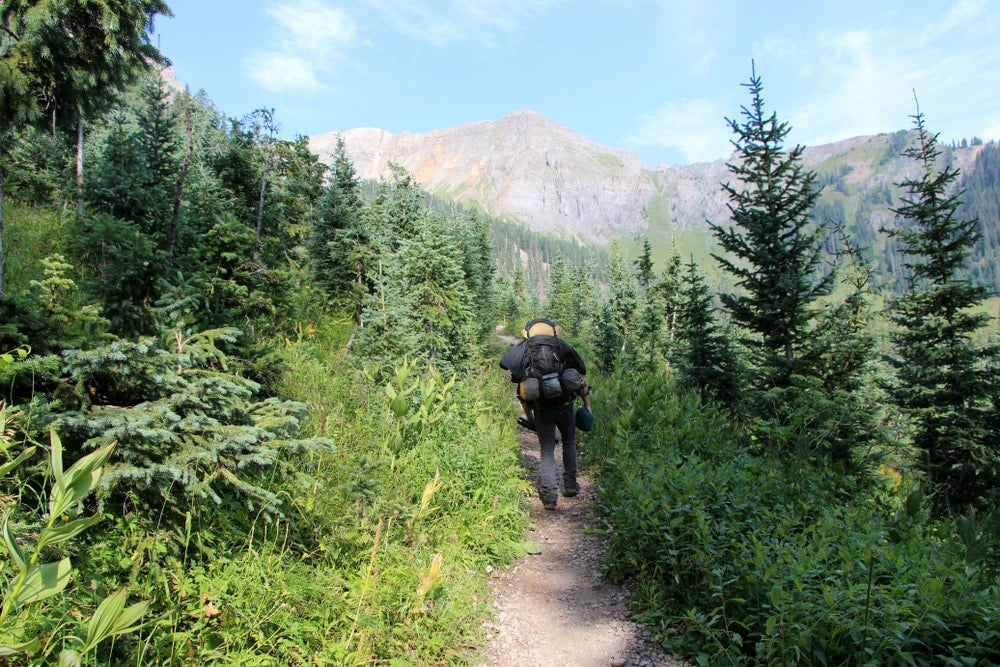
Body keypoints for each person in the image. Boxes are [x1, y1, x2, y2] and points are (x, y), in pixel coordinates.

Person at [500, 318, 592, 510]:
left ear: (528, 333)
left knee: (547, 452)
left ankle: (550, 498)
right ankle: (571, 485)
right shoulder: (560, 345)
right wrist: (586, 405)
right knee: (568, 443)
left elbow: (521, 389)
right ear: (554, 331)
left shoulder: (525, 348)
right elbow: (581, 372)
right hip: (565, 405)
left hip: (542, 409)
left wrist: (531, 418)